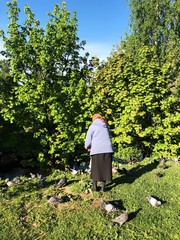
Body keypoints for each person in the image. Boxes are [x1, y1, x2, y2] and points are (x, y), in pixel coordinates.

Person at [84, 113, 113, 192]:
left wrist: (87, 146)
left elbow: (88, 140)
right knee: (105, 168)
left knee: (95, 169)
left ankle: (95, 187)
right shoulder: (105, 125)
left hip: (97, 150)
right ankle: (103, 188)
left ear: (93, 119)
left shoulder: (92, 126)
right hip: (108, 149)